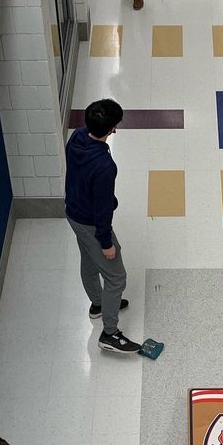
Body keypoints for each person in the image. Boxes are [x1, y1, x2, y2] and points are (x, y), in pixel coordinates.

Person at [64, 98, 139, 354]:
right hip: (90, 222)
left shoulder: (77, 137)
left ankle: (98, 303)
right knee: (117, 277)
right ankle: (110, 333)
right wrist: (106, 243)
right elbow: (103, 210)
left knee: (88, 258)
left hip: (73, 212)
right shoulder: (105, 167)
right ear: (111, 129)